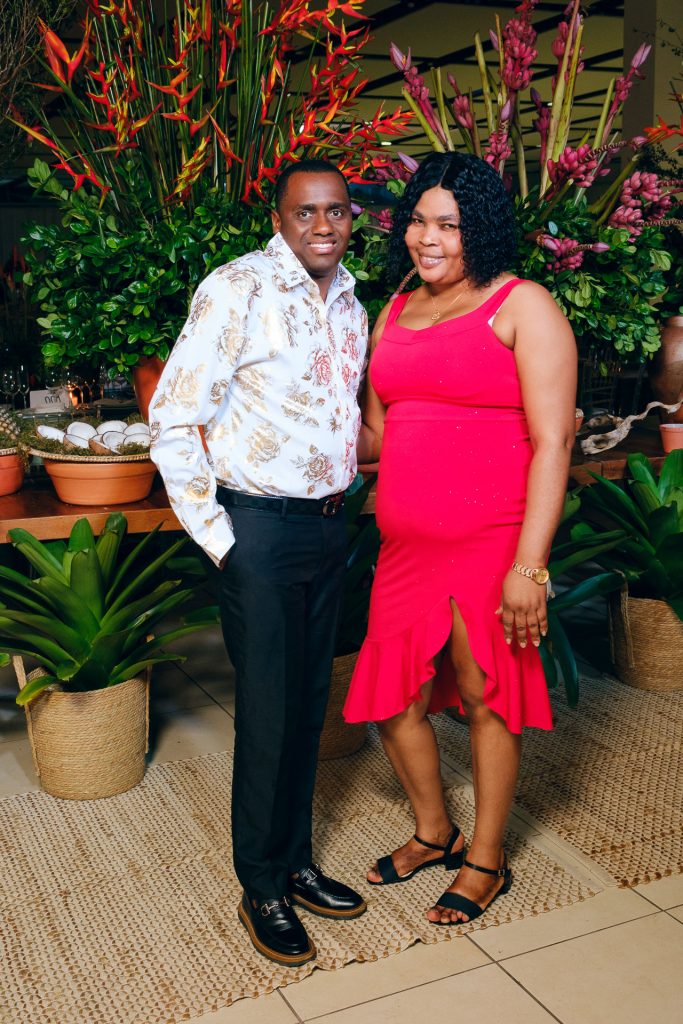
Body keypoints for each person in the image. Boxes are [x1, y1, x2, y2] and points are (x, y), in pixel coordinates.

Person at [344, 151, 577, 925]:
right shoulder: (395, 310)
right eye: (418, 221)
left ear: (478, 229)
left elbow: (552, 442)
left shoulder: (522, 305)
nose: (427, 238)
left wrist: (529, 567)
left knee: (485, 696)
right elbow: (379, 434)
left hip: (492, 541)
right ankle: (433, 830)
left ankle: (486, 856)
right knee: (393, 698)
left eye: (447, 224)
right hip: (405, 548)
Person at [149, 159, 367, 968]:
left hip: (329, 527)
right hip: (259, 534)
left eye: (335, 211)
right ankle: (262, 885)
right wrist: (221, 538)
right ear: (278, 219)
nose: (322, 225)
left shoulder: (351, 303)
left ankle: (297, 860)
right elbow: (173, 416)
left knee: (310, 706)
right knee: (270, 713)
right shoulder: (236, 288)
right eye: (305, 211)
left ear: (351, 220)